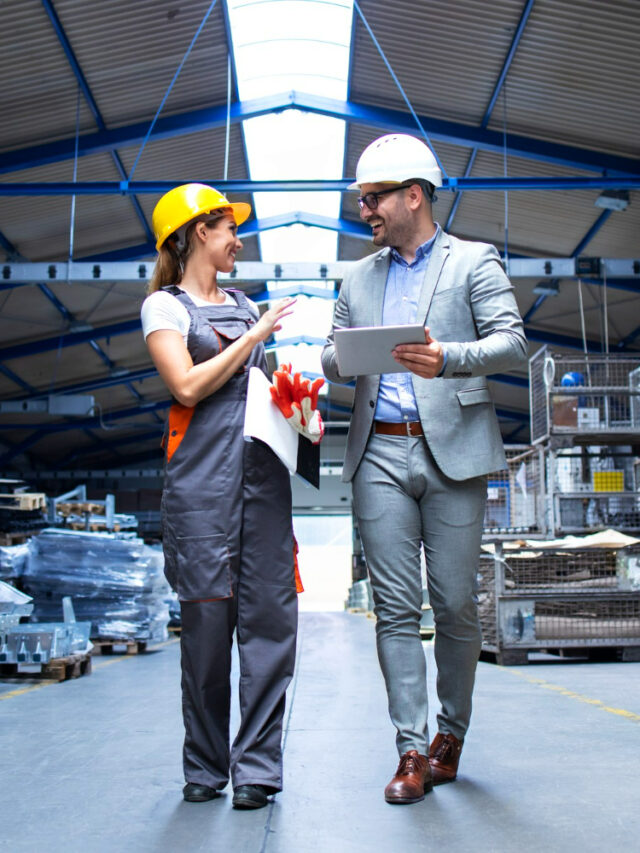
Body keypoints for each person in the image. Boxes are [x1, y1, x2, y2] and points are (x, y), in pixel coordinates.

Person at [322, 134, 527, 805]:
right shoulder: (356, 278)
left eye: (374, 197)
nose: (365, 209)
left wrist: (451, 359)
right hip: (377, 448)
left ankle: (450, 735)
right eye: (362, 198)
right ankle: (409, 748)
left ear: (415, 195)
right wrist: (342, 357)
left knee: (456, 603)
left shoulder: (474, 262)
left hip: (453, 451)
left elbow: (511, 341)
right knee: (395, 609)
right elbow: (330, 359)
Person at [141, 183, 299, 810]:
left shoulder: (241, 303)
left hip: (263, 483)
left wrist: (299, 398)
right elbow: (185, 386)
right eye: (229, 228)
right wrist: (255, 332)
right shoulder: (165, 308)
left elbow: (266, 389)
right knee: (207, 633)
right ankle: (205, 768)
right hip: (202, 489)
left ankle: (257, 770)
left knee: (268, 627)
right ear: (199, 233)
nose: (239, 240)